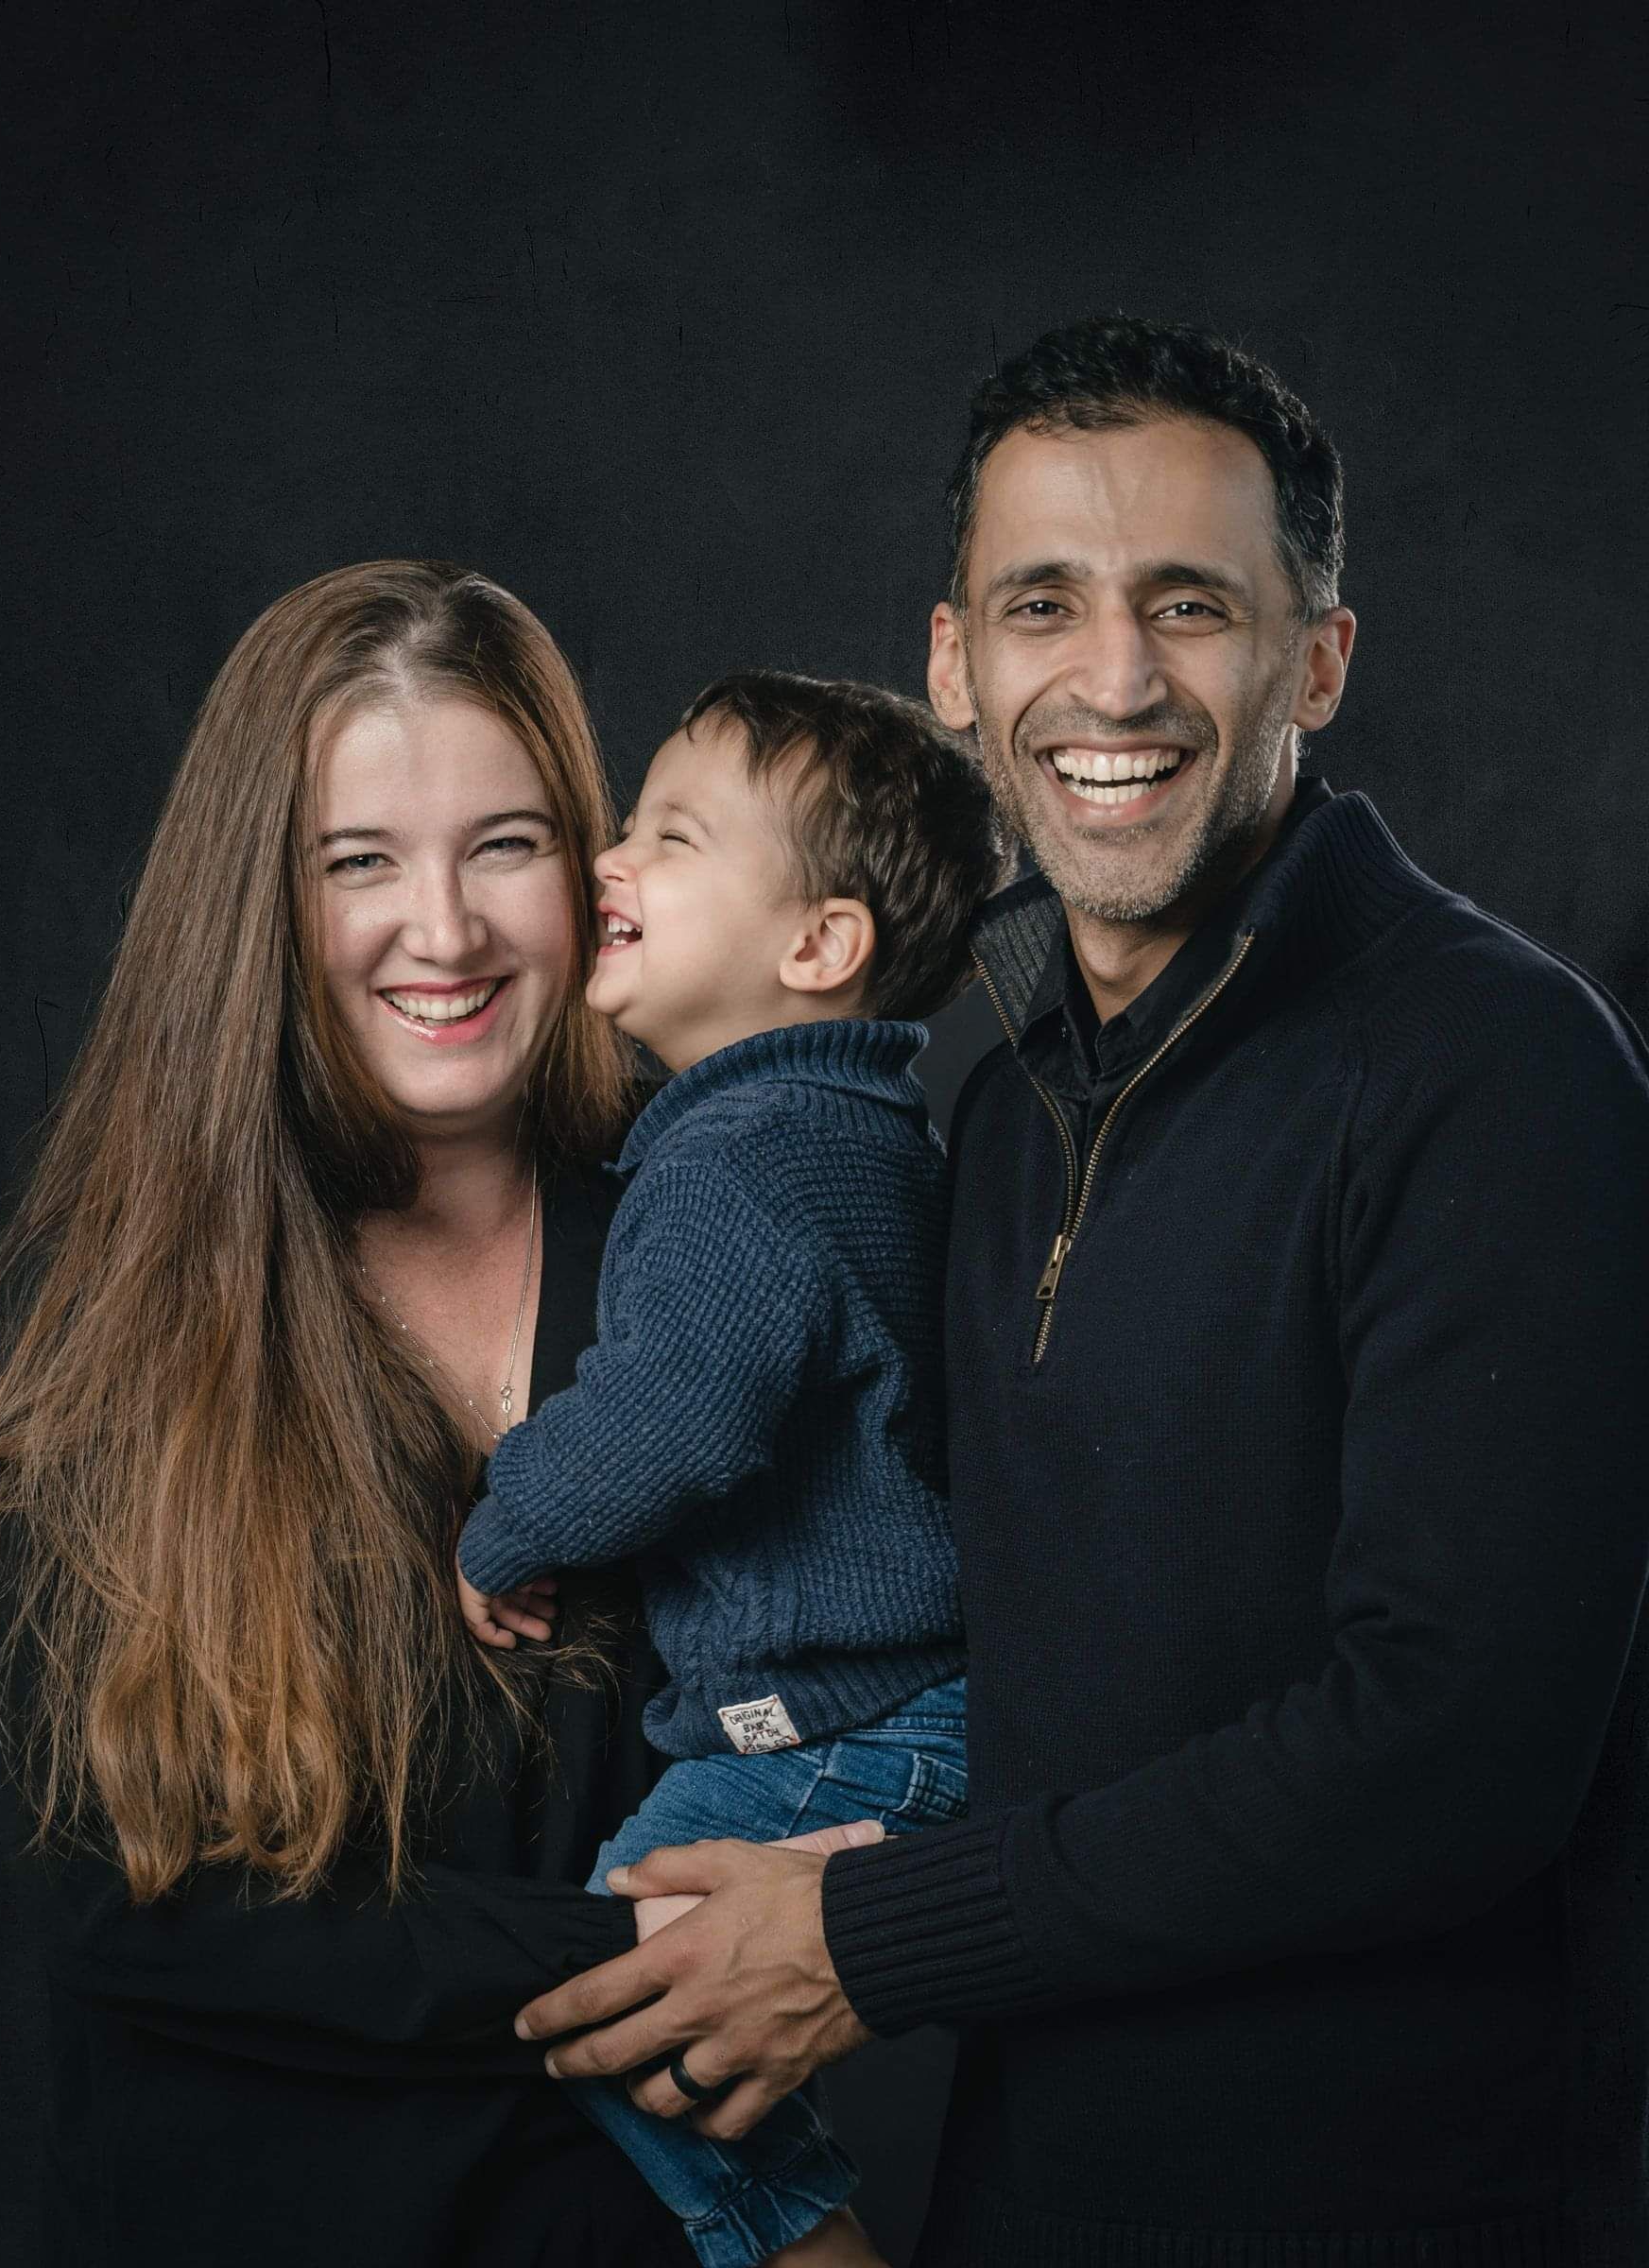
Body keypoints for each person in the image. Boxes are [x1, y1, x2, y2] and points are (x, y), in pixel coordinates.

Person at [512, 319, 1649, 2264]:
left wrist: (874, 1935)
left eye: (1190, 604)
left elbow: (1454, 1755)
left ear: (1319, 659)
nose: (1112, 679)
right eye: (1046, 604)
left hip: (1394, 2212)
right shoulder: (999, 1115)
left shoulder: (1496, 1069)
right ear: (958, 663)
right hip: (1029, 2196)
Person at [0, 558, 873, 2268]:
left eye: (505, 845)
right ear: (261, 901)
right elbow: (142, 1910)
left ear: (591, 869)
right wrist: (690, 1955)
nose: (448, 929)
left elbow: (884, 1666)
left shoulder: (727, 1243)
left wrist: (872, 1924)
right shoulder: (122, 1313)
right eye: (361, 862)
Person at [454, 672, 1003, 2268]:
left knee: (629, 1967)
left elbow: (673, 1417)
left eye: (670, 837)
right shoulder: (854, 1129)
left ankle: (805, 2250)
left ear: (817, 947)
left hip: (850, 1721)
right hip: (919, 1708)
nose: (608, 861)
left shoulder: (739, 1166)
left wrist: (508, 1517)